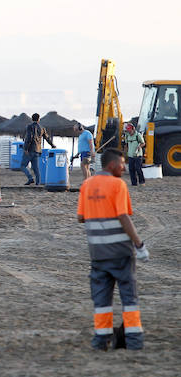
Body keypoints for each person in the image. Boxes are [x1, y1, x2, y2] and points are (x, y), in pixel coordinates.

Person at [77, 148, 149, 351]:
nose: (125, 167)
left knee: (102, 302)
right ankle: (134, 342)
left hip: (98, 255)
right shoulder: (118, 185)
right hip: (121, 254)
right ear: (111, 165)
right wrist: (139, 244)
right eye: (122, 164)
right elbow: (123, 216)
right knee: (130, 299)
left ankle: (101, 341)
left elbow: (81, 217)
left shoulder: (87, 185)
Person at [21, 113, 55, 186]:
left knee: (23, 165)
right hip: (38, 150)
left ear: (32, 119)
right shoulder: (42, 128)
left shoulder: (29, 126)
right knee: (36, 168)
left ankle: (30, 178)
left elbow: (29, 137)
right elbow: (47, 138)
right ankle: (37, 183)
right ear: (39, 119)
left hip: (30, 149)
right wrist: (52, 145)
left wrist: (25, 148)